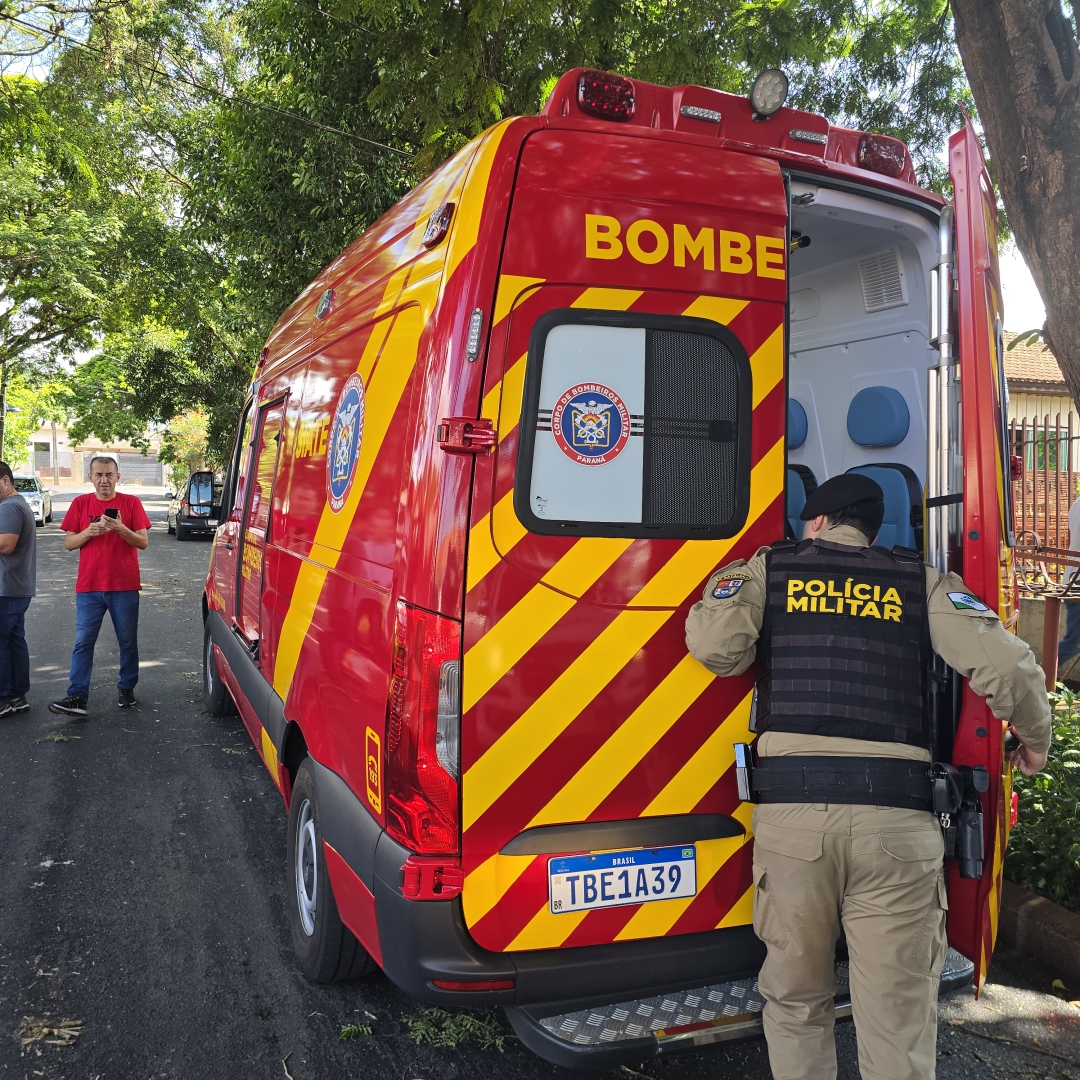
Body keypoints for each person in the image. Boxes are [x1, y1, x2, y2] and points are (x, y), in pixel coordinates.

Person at [685, 473, 1051, 1080]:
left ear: (820, 523)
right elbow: (1009, 668)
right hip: (898, 827)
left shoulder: (773, 569)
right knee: (898, 1016)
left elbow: (716, 649)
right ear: (870, 527)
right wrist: (1033, 741)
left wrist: (744, 580)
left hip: (794, 825)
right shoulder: (919, 581)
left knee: (799, 1002)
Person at [50, 456, 151, 716]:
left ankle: (127, 688)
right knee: (83, 642)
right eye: (98, 475)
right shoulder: (80, 503)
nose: (103, 480)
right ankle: (77, 696)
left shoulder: (131, 503)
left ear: (118, 477)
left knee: (127, 642)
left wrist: (120, 528)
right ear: (90, 477)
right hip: (89, 586)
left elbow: (142, 542)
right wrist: (89, 531)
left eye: (109, 475)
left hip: (124, 585)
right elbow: (69, 544)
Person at [0, 462, 36, 717]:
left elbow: (6, 545)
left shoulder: (9, 507)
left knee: (3, 643)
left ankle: (2, 699)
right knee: (14, 641)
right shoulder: (17, 504)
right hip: (16, 586)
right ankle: (17, 695)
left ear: (5, 481)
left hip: (6, 587)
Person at [1058, 490, 1080, 676]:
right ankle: (1035, 676)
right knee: (1075, 641)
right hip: (1078, 582)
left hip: (1074, 578)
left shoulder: (1077, 503)